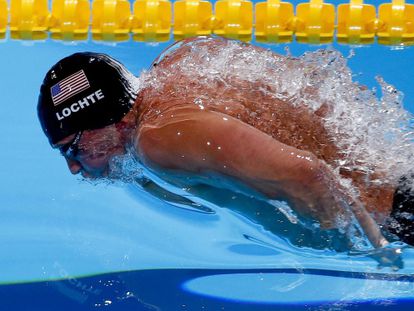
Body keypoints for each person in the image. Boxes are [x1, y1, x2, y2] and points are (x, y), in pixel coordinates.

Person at [37, 36, 413, 249]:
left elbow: (308, 175)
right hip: (399, 178)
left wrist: (376, 256)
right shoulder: (180, 61)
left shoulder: (156, 141)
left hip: (394, 218)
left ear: (110, 122)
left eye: (73, 147)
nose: (73, 165)